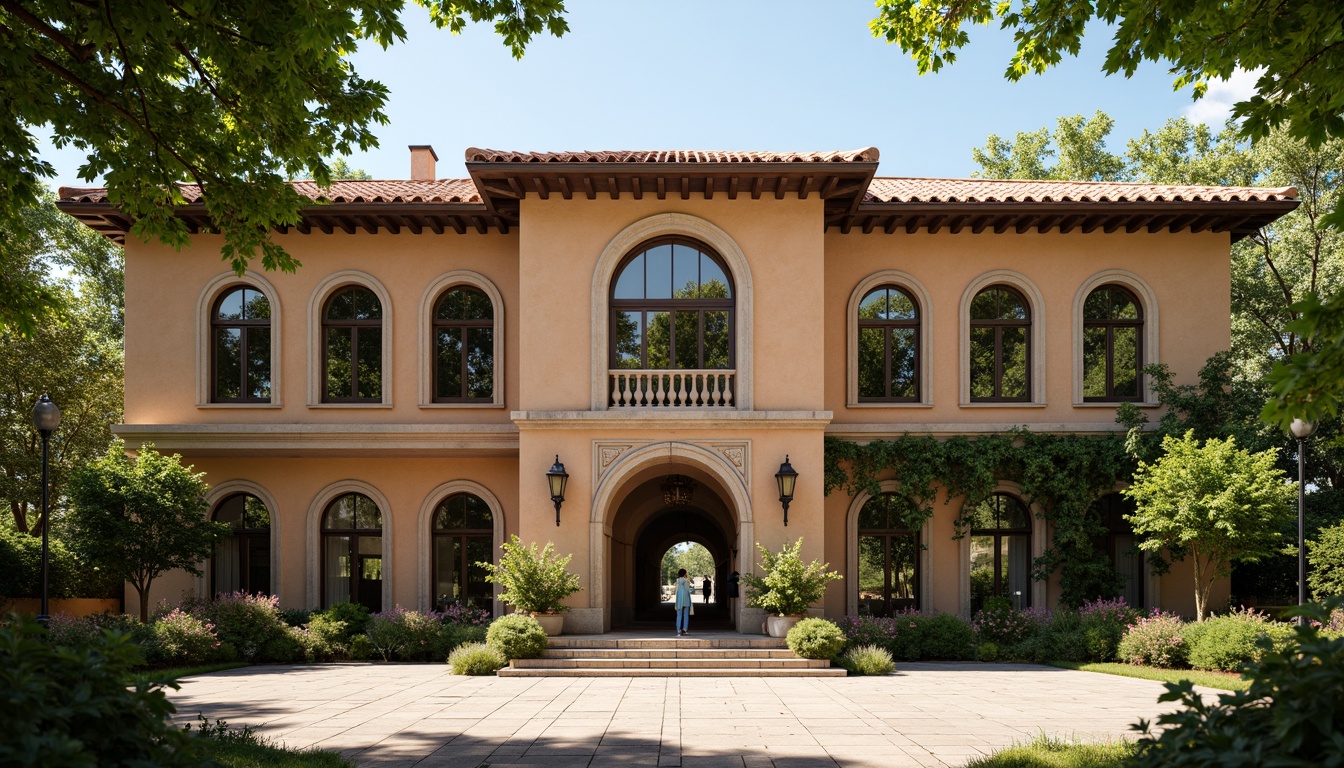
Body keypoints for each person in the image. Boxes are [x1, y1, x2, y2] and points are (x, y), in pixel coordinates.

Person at [674, 568, 692, 636]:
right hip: (685, 601)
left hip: (679, 601)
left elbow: (677, 591)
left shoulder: (678, 581)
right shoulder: (685, 581)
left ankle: (678, 630)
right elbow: (687, 591)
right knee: (686, 615)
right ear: (684, 574)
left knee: (679, 616)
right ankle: (684, 630)